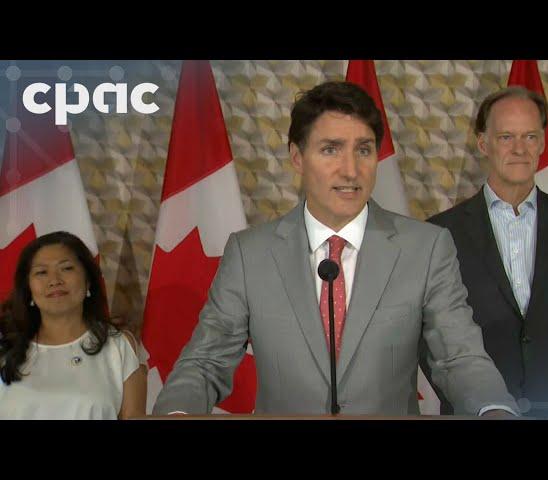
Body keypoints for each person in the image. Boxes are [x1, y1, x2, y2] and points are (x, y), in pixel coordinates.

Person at [153, 81, 517, 417]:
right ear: (297, 157)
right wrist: (176, 412)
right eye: (330, 150)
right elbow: (205, 362)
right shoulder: (250, 255)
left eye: (363, 150)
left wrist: (495, 410)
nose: (350, 170)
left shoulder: (426, 248)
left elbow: (459, 358)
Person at [424, 86, 548, 419]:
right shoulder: (440, 233)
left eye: (530, 137)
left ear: (543, 143)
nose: (519, 149)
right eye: (506, 137)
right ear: (483, 143)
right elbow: (430, 342)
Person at [0, 231, 146, 419]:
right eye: (41, 272)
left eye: (66, 268)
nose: (54, 281)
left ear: (88, 282)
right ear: (28, 289)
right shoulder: (5, 346)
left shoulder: (118, 346)